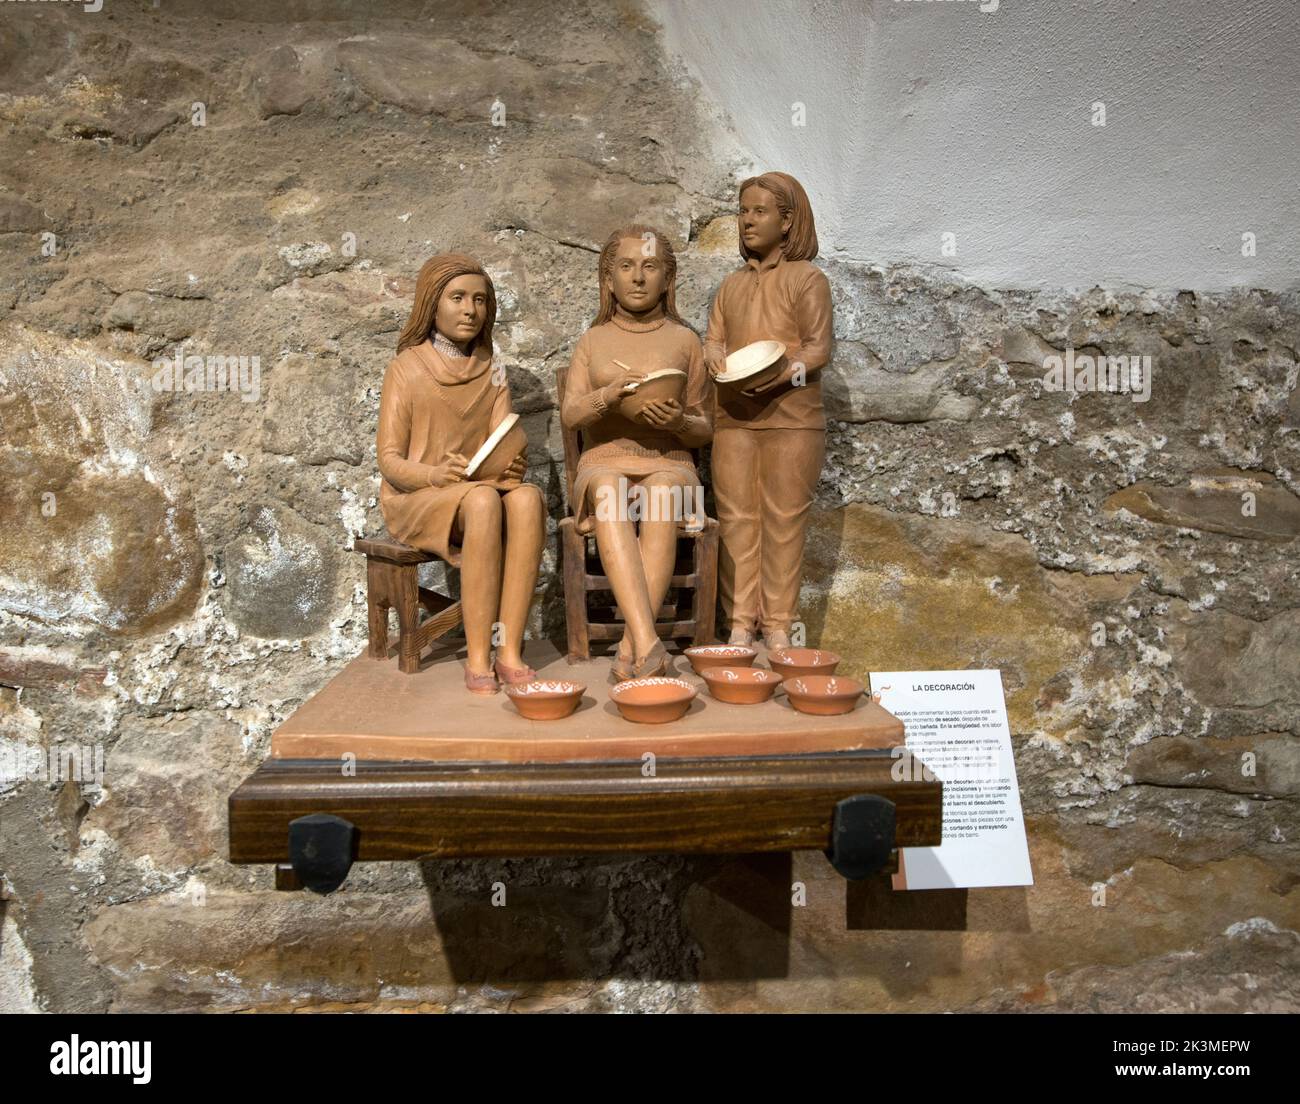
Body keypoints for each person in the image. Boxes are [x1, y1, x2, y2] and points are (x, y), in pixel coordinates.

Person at [377, 253, 545, 694]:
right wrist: (435, 475)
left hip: (476, 489)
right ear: (432, 303)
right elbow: (390, 460)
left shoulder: (493, 371)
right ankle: (477, 657)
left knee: (527, 498)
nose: (470, 309)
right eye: (457, 298)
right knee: (484, 501)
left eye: (480, 300)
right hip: (418, 496)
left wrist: (511, 462)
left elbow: (503, 437)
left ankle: (508, 651)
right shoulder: (407, 369)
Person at [561, 225, 713, 680]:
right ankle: (649, 645)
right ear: (608, 280)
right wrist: (607, 397)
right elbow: (571, 414)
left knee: (664, 493)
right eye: (626, 267)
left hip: (671, 462)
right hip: (603, 461)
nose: (638, 278)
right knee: (608, 490)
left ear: (668, 279)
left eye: (650, 267)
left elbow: (705, 427)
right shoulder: (593, 340)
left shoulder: (686, 341)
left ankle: (633, 646)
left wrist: (677, 422)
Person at [703, 172, 833, 653]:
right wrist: (713, 357)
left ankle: (778, 624)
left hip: (793, 418)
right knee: (737, 516)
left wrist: (777, 376)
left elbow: (818, 349)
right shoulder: (731, 285)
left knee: (784, 517)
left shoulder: (806, 279)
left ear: (788, 220)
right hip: (734, 417)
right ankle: (739, 622)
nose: (748, 221)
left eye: (760, 211)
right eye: (743, 211)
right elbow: (715, 337)